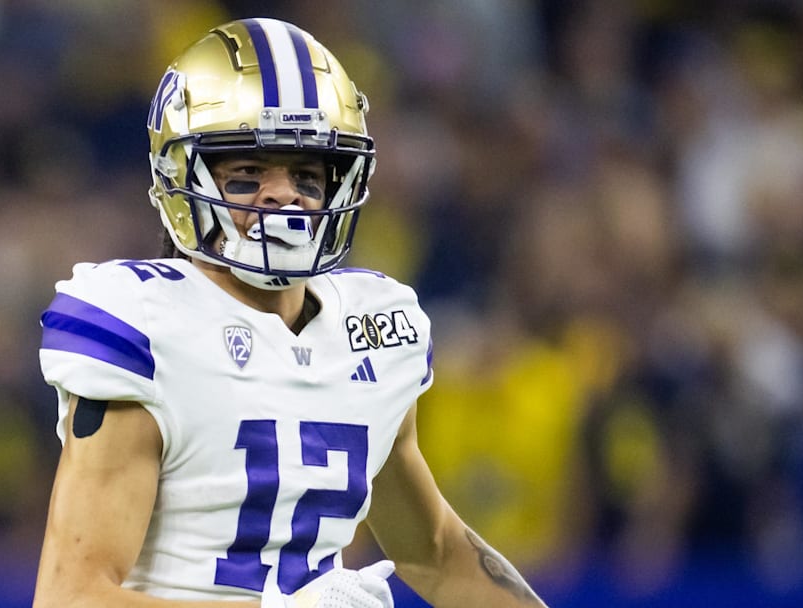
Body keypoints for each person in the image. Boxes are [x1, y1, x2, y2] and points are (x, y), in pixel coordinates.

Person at [33, 17, 549, 608]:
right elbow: (70, 597)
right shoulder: (144, 324)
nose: (282, 194)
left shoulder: (373, 329)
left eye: (305, 172)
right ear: (183, 178)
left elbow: (434, 551)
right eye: (249, 173)